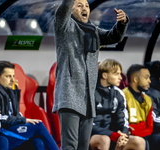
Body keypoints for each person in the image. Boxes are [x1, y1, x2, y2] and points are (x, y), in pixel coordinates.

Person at [53, 0, 129, 149]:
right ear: (71, 9)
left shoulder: (93, 30)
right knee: (70, 145)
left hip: (88, 100)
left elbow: (114, 37)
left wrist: (122, 23)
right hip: (69, 97)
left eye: (87, 6)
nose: (85, 8)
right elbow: (62, 11)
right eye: (79, 5)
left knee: (83, 146)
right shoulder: (64, 27)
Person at [0, 60, 59, 150]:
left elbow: (15, 113)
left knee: (39, 142)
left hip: (11, 129)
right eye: (8, 76)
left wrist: (24, 120)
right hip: (3, 130)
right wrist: (23, 120)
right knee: (39, 125)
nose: (12, 80)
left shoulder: (10, 91)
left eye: (13, 76)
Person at [90, 59, 146, 150]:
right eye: (116, 74)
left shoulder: (118, 94)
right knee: (105, 140)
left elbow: (122, 119)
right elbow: (87, 124)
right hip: (91, 136)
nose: (120, 77)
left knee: (139, 142)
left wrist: (123, 134)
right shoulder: (90, 93)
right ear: (104, 75)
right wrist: (113, 135)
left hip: (114, 135)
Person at [122, 64, 160, 150]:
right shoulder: (123, 96)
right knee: (143, 143)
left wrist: (136, 129)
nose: (149, 81)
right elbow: (123, 126)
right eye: (146, 78)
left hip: (146, 135)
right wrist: (140, 126)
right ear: (135, 79)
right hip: (127, 137)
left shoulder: (147, 99)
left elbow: (150, 127)